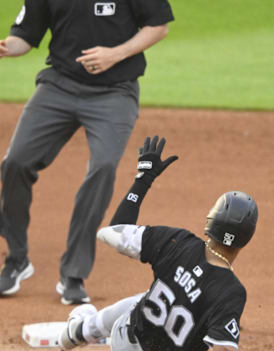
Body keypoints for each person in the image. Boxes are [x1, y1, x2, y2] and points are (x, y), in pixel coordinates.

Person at [14, 136, 274, 351]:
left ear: (211, 221)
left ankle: (77, 331)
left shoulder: (178, 242)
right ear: (246, 238)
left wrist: (143, 179)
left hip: (123, 341)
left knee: (145, 299)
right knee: (195, 331)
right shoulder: (231, 292)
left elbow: (112, 233)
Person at [0, 0, 174, 305]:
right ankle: (16, 260)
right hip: (58, 86)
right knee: (15, 162)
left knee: (103, 168)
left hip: (115, 92)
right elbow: (25, 37)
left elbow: (159, 26)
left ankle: (73, 275)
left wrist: (115, 53)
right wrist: (5, 47)